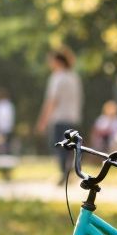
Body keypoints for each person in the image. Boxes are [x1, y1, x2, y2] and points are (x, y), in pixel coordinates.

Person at [36, 47, 82, 184]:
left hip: (59, 118)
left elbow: (52, 101)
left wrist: (43, 120)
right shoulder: (74, 77)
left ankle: (64, 173)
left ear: (57, 61)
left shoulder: (57, 77)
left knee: (59, 146)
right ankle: (69, 172)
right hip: (73, 117)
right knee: (70, 148)